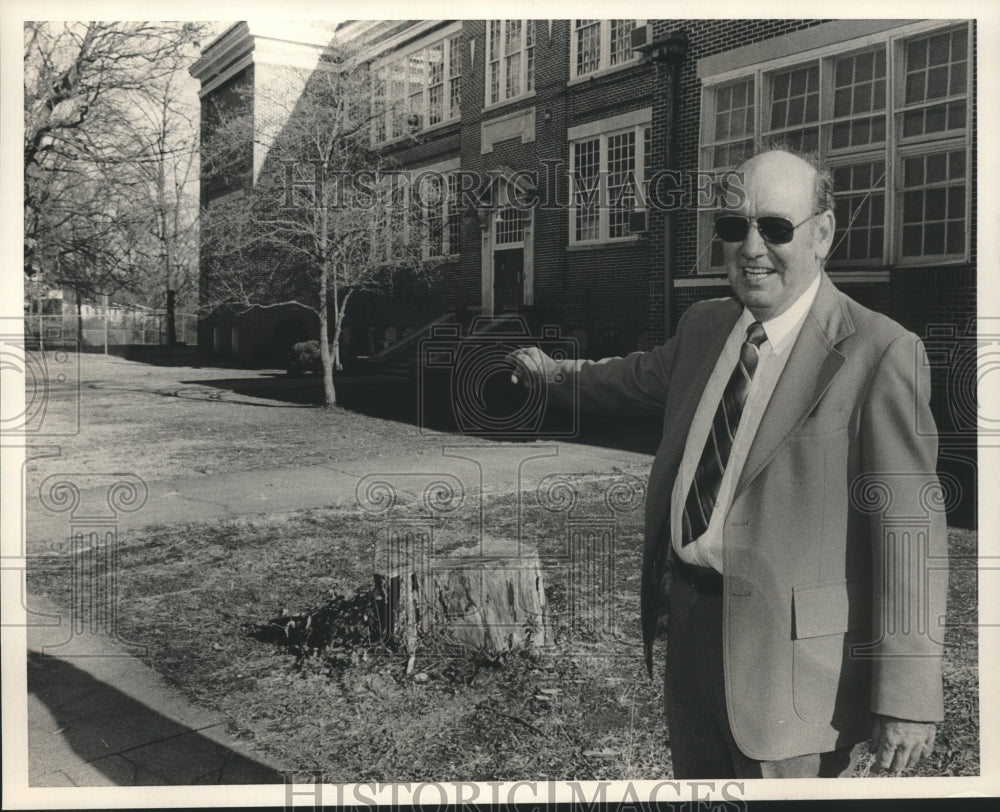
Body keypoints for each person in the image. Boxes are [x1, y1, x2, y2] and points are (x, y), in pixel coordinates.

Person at [510, 149, 946, 779]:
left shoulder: (881, 353)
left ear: (822, 233)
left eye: (774, 227)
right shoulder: (706, 326)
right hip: (689, 630)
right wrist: (549, 375)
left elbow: (910, 534)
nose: (751, 248)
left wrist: (907, 698)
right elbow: (629, 380)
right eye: (733, 227)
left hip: (793, 667)